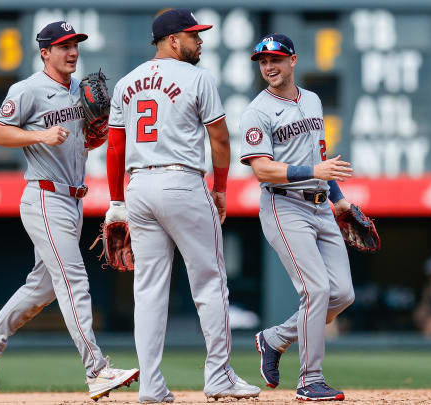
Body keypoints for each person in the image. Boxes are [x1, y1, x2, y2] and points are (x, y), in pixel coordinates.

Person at [0, 21, 138, 401]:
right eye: (62, 46)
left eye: (74, 45)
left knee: (42, 287)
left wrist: (94, 137)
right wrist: (39, 134)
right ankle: (97, 371)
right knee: (74, 280)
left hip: (73, 199)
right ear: (45, 52)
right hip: (43, 196)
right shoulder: (27, 90)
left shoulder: (80, 90)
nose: (72, 51)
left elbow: (82, 144)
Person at [105, 8, 260, 403]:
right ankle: (220, 377)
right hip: (181, 182)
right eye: (193, 35)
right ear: (172, 40)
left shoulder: (126, 83)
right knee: (210, 282)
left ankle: (150, 386)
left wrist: (116, 202)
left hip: (138, 186)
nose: (200, 40)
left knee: (149, 291)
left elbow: (116, 148)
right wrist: (221, 187)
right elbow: (221, 140)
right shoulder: (198, 78)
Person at [241, 34, 355, 401]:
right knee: (316, 290)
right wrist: (316, 172)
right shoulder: (257, 111)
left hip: (322, 205)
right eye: (263, 61)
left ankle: (274, 339)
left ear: (293, 61)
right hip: (284, 205)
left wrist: (338, 200)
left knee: (341, 295)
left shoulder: (313, 100)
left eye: (275, 58)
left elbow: (320, 154)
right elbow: (262, 170)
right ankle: (309, 380)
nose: (269, 66)